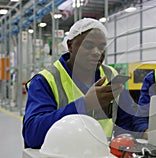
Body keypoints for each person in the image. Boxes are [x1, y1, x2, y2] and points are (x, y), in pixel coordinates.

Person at [22, 18, 135, 149]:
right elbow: (33, 135)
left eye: (101, 47)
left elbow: (127, 120)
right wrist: (85, 105)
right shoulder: (46, 80)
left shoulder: (111, 75)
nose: (97, 52)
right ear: (70, 45)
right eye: (88, 46)